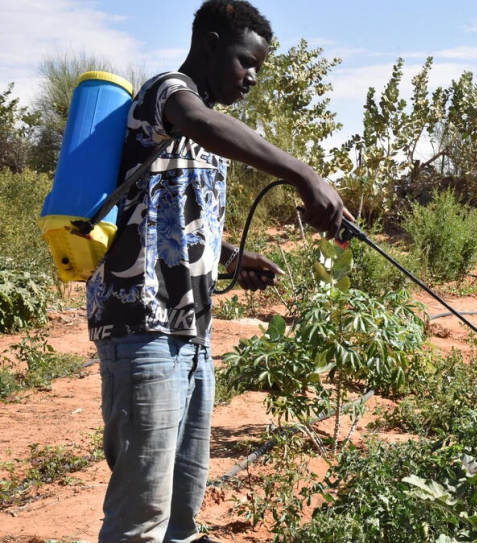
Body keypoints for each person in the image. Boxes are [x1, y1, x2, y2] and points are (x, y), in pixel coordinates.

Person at [85, 1, 351, 541]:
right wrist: (305, 175)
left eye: (258, 68)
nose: (251, 78)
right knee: (140, 520)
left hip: (191, 337)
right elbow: (203, 123)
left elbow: (172, 217)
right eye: (244, 62)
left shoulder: (203, 133)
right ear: (208, 44)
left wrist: (232, 258)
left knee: (182, 514)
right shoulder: (168, 94)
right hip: (142, 330)